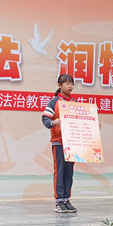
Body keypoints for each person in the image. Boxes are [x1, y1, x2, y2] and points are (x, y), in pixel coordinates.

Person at [42, 74, 78, 214]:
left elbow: (81, 121)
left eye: (71, 83)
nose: (70, 86)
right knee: (60, 171)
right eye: (67, 83)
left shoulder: (75, 102)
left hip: (72, 142)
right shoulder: (54, 102)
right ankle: (59, 201)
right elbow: (45, 118)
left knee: (69, 172)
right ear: (59, 85)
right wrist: (53, 122)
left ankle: (66, 199)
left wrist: (93, 125)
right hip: (59, 142)